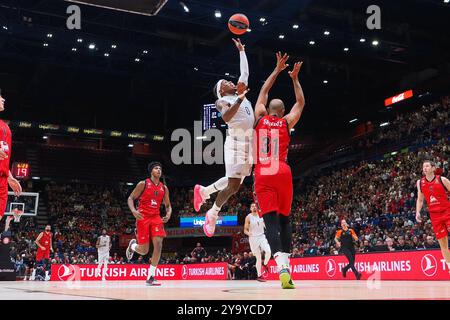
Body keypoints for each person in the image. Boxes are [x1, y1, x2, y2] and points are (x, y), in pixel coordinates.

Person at [252, 53, 304, 289]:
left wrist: (276, 70)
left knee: (270, 223)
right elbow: (301, 103)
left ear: (268, 109)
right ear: (282, 111)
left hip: (264, 171)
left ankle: (281, 267)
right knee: (285, 220)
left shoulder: (260, 118)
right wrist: (294, 79)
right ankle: (289, 268)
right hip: (283, 171)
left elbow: (263, 90)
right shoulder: (286, 123)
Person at [193, 38, 253, 238]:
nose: (230, 81)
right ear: (221, 91)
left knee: (234, 181)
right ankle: (212, 213)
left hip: (248, 144)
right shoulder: (222, 101)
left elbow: (245, 73)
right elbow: (226, 117)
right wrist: (241, 98)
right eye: (225, 83)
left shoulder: (239, 92)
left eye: (229, 81)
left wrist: (241, 52)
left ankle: (204, 192)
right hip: (235, 144)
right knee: (234, 186)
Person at [125, 162, 172, 286]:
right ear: (151, 171)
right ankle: (133, 246)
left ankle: (150, 276)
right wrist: (134, 211)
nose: (159, 170)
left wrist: (169, 213)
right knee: (144, 251)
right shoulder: (143, 184)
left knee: (159, 245)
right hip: (143, 217)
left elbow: (168, 205)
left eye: (160, 168)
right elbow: (130, 198)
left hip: (156, 217)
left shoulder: (164, 188)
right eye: (156, 168)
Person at [416, 160, 450, 272]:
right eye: (423, 166)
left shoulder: (442, 180)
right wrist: (417, 212)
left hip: (447, 212)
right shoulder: (420, 183)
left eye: (427, 166)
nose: (425, 168)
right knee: (443, 245)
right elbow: (420, 200)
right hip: (435, 216)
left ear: (433, 168)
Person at [0, 89, 22, 222]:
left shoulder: (5, 127)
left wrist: (9, 177)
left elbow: (3, 158)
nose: (3, 99)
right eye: (0, 97)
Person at [244, 203, 271, 282]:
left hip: (262, 236)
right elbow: (245, 230)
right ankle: (259, 275)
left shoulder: (261, 215)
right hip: (253, 238)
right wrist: (249, 233)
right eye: (252, 206)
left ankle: (265, 264)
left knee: (268, 251)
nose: (254, 207)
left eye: (255, 206)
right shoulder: (248, 217)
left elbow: (266, 226)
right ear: (250, 208)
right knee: (258, 257)